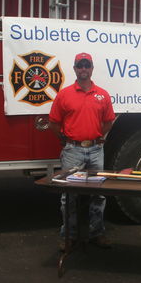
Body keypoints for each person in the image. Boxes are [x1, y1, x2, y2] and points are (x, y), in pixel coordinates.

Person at [49, 52, 115, 249]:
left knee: (98, 194)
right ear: (75, 69)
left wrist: (96, 137)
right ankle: (68, 236)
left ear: (92, 68)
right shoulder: (64, 94)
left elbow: (109, 121)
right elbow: (54, 123)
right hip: (73, 151)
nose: (83, 69)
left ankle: (97, 233)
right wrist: (66, 141)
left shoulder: (102, 94)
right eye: (80, 66)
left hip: (96, 150)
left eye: (87, 65)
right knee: (68, 195)